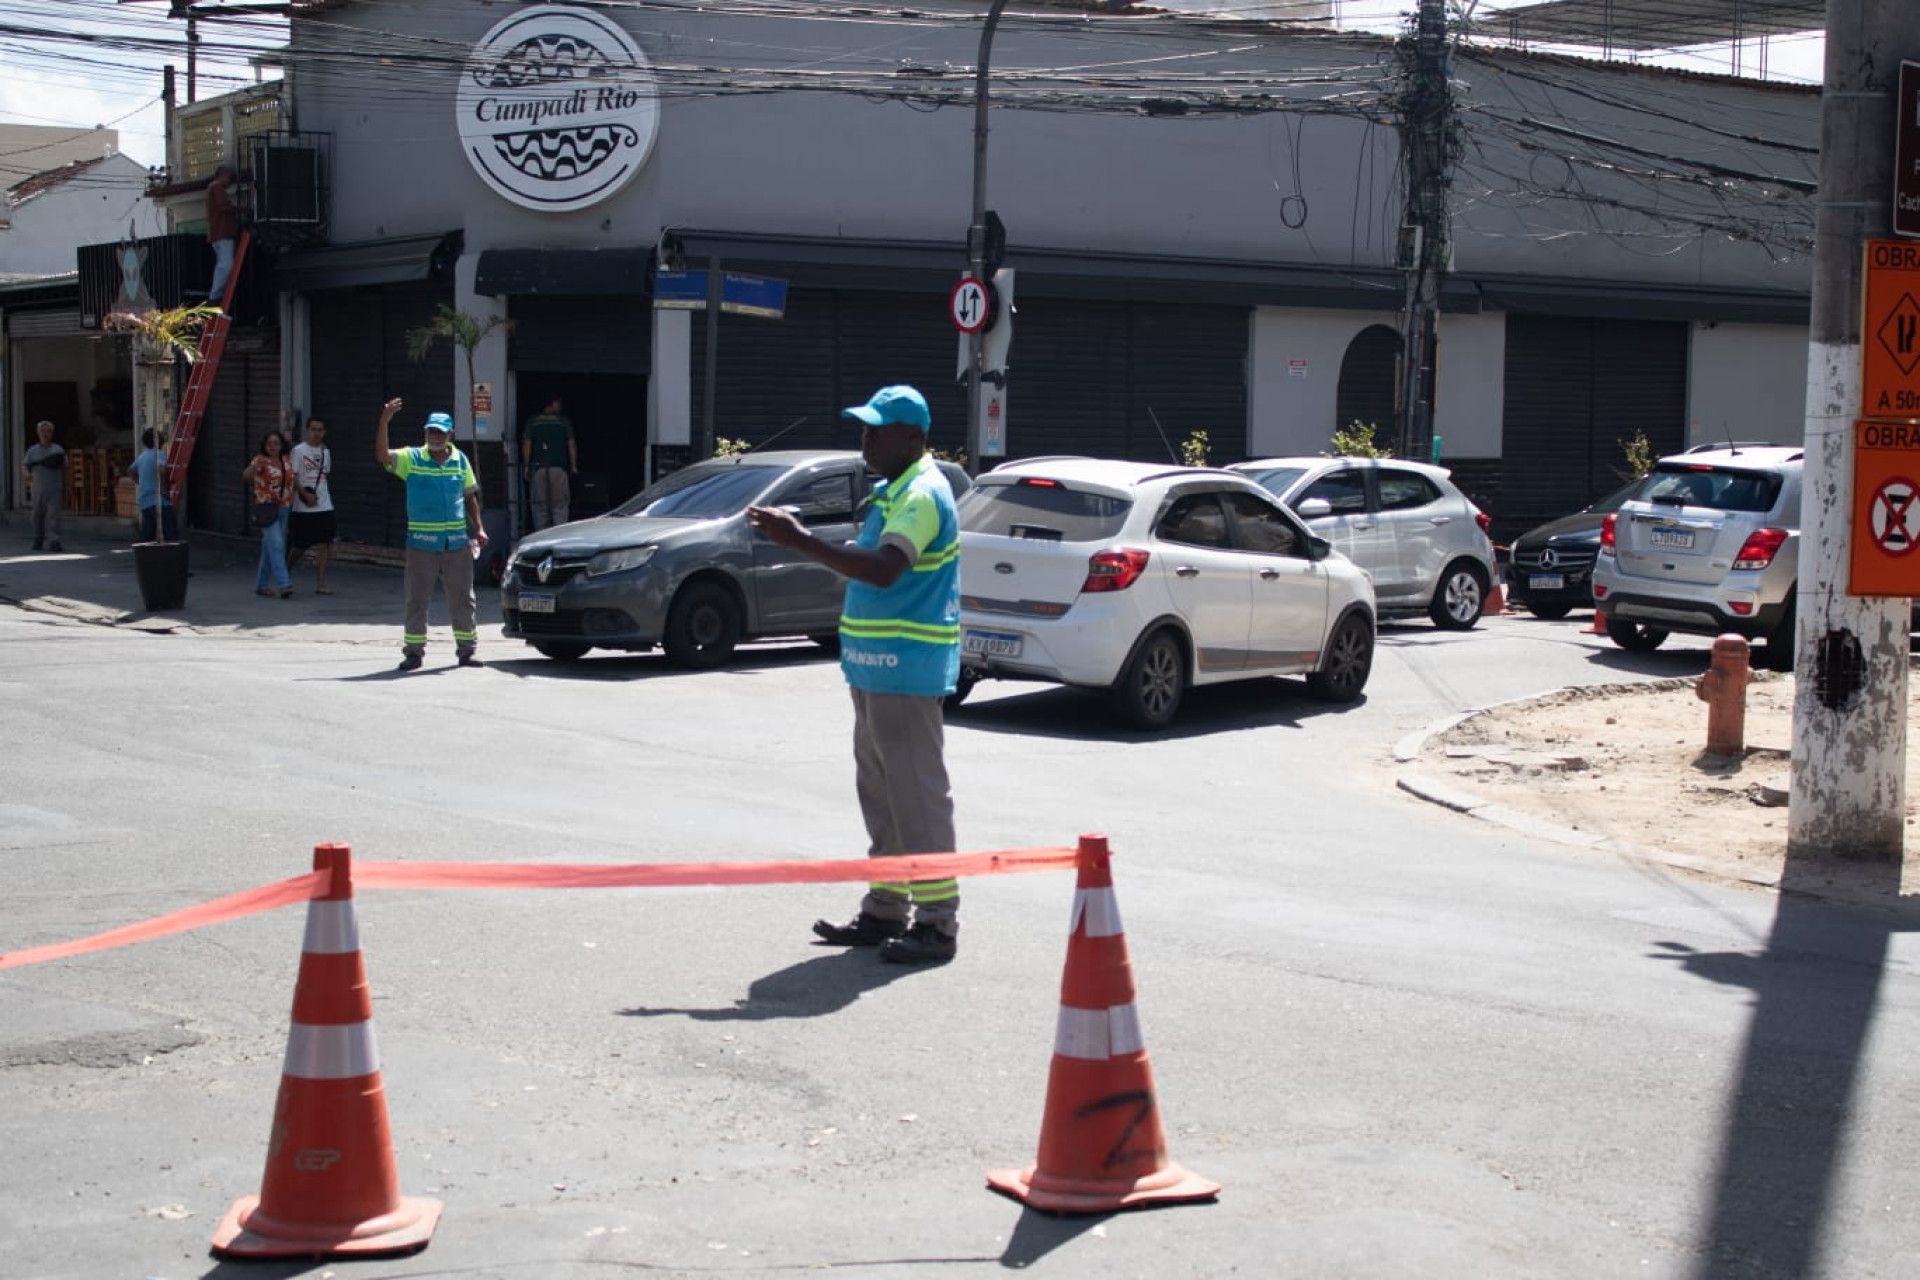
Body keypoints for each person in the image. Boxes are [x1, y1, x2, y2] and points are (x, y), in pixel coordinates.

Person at [746, 385, 963, 965]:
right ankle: (887, 908)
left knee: (916, 797)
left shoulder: (920, 493)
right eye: (863, 427)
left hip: (905, 672)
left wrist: (799, 540)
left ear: (913, 437)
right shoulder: (892, 491)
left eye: (876, 429)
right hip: (874, 670)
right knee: (883, 796)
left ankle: (937, 924)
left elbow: (887, 570)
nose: (864, 438)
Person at [375, 399, 487, 671]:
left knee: (462, 597)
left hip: (457, 543)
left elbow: (470, 495)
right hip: (422, 544)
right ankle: (414, 653)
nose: (434, 437)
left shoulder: (460, 460)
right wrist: (385, 421)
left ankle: (467, 651)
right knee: (417, 598)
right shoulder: (412, 458)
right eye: (430, 432)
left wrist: (479, 527)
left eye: (439, 432)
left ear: (450, 434)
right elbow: (382, 456)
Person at [287, 416, 336, 594]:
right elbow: (293, 477)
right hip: (303, 505)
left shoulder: (326, 452)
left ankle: (320, 583)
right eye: (314, 429)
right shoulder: (298, 451)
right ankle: (285, 574)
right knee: (300, 545)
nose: (317, 433)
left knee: (325, 543)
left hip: (324, 503)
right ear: (308, 430)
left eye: (320, 429)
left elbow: (325, 475)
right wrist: (304, 494)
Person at [243, 431, 294, 598]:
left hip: (284, 507)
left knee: (269, 547)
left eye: (276, 443)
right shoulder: (260, 460)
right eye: (269, 443)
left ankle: (261, 584)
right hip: (266, 508)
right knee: (277, 545)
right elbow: (246, 476)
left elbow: (291, 481)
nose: (272, 446)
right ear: (264, 446)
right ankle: (284, 583)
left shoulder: (285, 460)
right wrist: (254, 467)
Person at [521, 396, 577, 530]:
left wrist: (526, 466)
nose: (560, 406)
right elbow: (572, 444)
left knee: (540, 506)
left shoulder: (533, 421)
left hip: (538, 469)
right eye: (559, 403)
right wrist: (574, 466)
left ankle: (541, 537)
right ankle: (559, 535)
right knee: (560, 506)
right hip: (559, 469)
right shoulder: (563, 421)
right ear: (552, 403)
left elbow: (527, 444)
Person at [24, 419, 66, 552]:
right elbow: (26, 465)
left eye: (48, 431)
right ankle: (38, 538)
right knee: (37, 515)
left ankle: (54, 540)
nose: (45, 434)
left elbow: (65, 466)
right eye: (42, 431)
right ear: (38, 433)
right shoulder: (33, 450)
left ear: (52, 433)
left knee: (53, 515)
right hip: (37, 488)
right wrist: (27, 474)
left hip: (54, 487)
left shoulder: (58, 450)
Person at [128, 429, 178, 542]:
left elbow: (130, 471)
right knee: (170, 534)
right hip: (160, 501)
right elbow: (162, 469)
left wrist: (141, 483)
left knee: (147, 535)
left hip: (145, 501)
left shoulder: (142, 456)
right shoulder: (159, 454)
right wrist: (165, 489)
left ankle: (146, 556)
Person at [206, 163, 239, 304]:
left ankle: (216, 293)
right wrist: (240, 209)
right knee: (226, 265)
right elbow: (223, 206)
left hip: (218, 234)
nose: (230, 182)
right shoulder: (216, 187)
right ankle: (215, 295)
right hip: (222, 233)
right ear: (223, 175)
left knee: (223, 264)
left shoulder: (213, 188)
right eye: (230, 178)